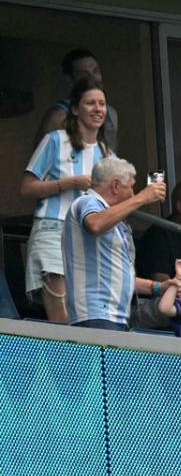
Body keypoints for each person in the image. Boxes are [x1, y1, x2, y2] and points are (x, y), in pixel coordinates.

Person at [22, 79, 113, 322]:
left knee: (86, 314)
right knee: (61, 315)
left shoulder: (106, 153)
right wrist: (69, 183)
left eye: (102, 104)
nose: (98, 109)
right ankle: (68, 359)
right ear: (75, 109)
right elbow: (27, 188)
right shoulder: (55, 140)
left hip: (88, 237)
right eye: (90, 103)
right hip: (53, 228)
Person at [61, 157, 167, 330]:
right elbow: (94, 224)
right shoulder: (87, 201)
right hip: (96, 313)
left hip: (112, 315)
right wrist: (141, 198)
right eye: (131, 186)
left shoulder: (112, 219)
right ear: (116, 185)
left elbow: (119, 277)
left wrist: (158, 287)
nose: (133, 193)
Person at [34, 48, 119, 152]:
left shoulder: (111, 114)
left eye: (95, 71)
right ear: (70, 80)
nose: (93, 79)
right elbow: (39, 164)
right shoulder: (58, 117)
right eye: (84, 75)